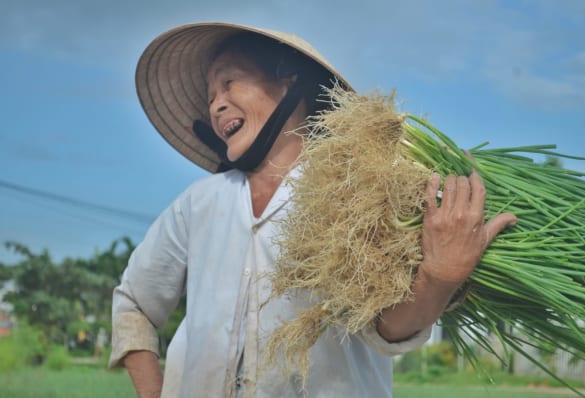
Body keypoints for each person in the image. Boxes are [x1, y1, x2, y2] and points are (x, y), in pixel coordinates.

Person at [109, 22, 517, 398]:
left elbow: (388, 326)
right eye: (210, 96)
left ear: (289, 81)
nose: (216, 105)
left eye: (229, 83)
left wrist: (439, 277)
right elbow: (134, 304)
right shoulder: (199, 204)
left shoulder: (360, 189)